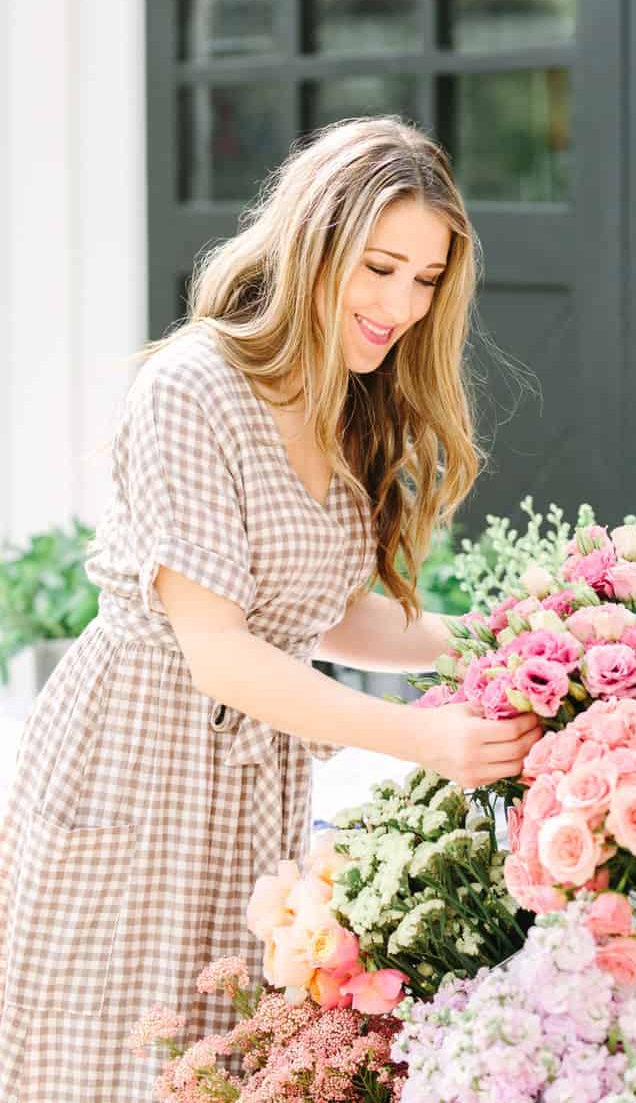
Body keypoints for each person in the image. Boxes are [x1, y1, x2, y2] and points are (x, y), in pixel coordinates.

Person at [0, 117, 541, 1100]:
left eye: (426, 280)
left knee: (226, 1061)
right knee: (114, 1064)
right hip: (136, 770)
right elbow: (223, 653)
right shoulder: (193, 389)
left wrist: (508, 645)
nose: (402, 306)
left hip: (251, 793)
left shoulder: (348, 400)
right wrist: (432, 740)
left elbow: (330, 614)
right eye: (380, 268)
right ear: (314, 244)